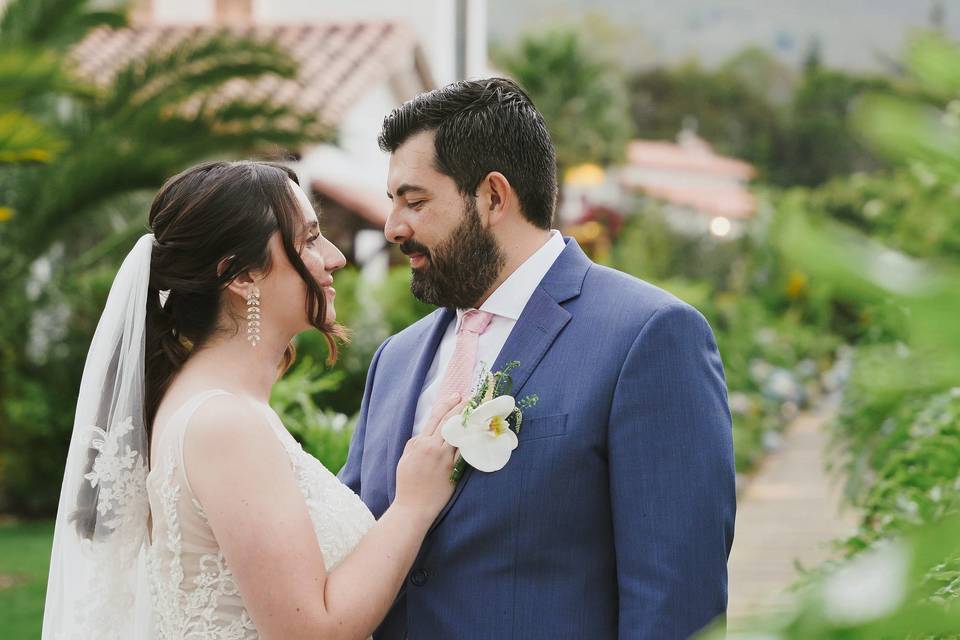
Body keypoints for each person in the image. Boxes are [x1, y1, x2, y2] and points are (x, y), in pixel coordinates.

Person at [339, 77, 737, 639]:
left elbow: (677, 598)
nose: (393, 227)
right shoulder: (394, 360)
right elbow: (354, 542)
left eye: (416, 200)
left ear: (493, 197)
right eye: (393, 202)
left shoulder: (649, 336)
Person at [42, 160, 464, 640]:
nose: (334, 257)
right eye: (307, 240)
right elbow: (310, 631)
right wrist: (413, 506)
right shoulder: (223, 423)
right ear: (241, 276)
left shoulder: (213, 405)